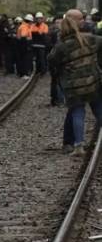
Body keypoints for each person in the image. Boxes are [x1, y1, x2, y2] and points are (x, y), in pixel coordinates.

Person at [48, 10, 102, 156]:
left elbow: (51, 60)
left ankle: (78, 145)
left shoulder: (62, 46)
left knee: (78, 113)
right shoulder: (90, 39)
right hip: (93, 84)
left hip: (73, 87)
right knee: (99, 111)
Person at [48, 16, 64, 107]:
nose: (59, 24)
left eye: (60, 22)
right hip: (54, 59)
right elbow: (48, 44)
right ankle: (56, 99)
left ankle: (59, 99)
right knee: (55, 80)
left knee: (59, 80)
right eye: (57, 23)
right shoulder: (52, 33)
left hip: (61, 60)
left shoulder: (65, 34)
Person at [16, 14, 33, 79]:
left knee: (22, 59)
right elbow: (23, 36)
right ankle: (24, 74)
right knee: (24, 60)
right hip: (23, 45)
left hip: (21, 44)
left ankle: (21, 73)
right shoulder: (25, 27)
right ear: (30, 21)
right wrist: (27, 45)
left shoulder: (23, 26)